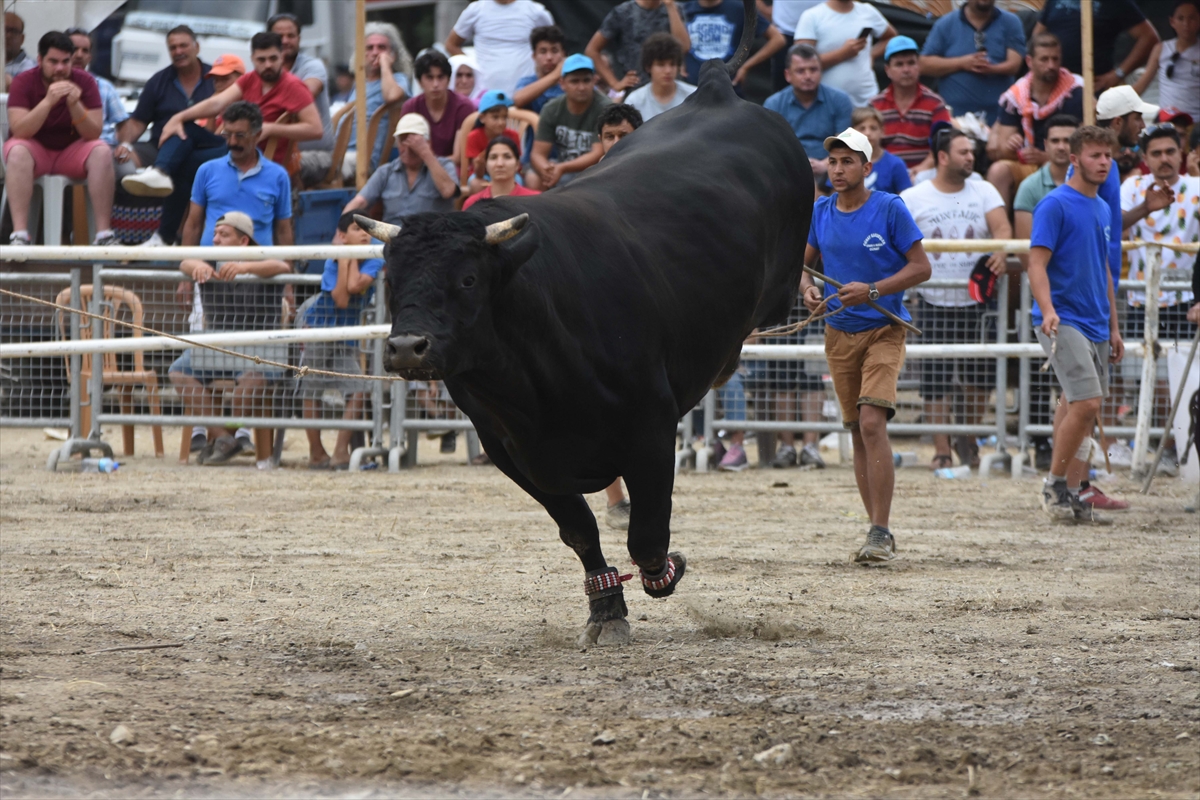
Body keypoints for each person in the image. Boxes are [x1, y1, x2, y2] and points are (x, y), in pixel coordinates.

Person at [799, 127, 931, 563]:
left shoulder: (889, 207)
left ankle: (880, 529)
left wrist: (873, 289)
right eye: (833, 162)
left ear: (866, 168)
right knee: (858, 429)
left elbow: (921, 267)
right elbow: (804, 263)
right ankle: (876, 529)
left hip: (884, 329)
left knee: (872, 422)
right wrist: (806, 287)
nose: (838, 169)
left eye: (847, 161)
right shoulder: (820, 211)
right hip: (839, 331)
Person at [1029, 125, 1126, 523]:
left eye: (1108, 156)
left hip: (1096, 322)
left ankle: (1073, 488)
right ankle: (1055, 484)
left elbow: (1104, 270)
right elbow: (1036, 262)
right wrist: (1047, 309)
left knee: (1076, 405)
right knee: (1087, 402)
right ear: (1074, 159)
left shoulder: (1103, 207)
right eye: (1095, 155)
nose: (1103, 162)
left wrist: (1115, 326)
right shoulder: (1055, 204)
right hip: (1063, 318)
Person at [900, 128, 1009, 470]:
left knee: (980, 377)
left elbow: (1003, 229)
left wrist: (1001, 249)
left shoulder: (984, 189)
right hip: (933, 298)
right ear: (942, 157)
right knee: (936, 379)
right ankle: (942, 448)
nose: (970, 157)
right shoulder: (912, 197)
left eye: (971, 151)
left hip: (978, 298)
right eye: (962, 152)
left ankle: (969, 436)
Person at [170, 211, 291, 466]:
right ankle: (225, 438)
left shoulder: (261, 261)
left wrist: (245, 267)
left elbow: (282, 266)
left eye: (223, 235)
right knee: (178, 372)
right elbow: (184, 263)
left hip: (258, 351)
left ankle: (229, 433)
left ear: (243, 241)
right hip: (217, 346)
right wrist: (197, 266)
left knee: (247, 388)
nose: (215, 240)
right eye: (214, 234)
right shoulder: (210, 260)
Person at [1119, 123, 1199, 475]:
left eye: (1170, 151)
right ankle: (1146, 449)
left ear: (1181, 153)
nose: (1164, 159)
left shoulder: (1197, 187)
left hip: (1186, 300)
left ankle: (1172, 449)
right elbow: (1113, 225)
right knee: (1143, 376)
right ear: (1144, 157)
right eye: (1156, 153)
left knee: (1181, 380)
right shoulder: (1131, 187)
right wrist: (1145, 209)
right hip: (1142, 298)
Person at [141, 31, 322, 181]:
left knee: (186, 163)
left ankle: (171, 205)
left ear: (282, 57)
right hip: (232, 143)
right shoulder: (250, 79)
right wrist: (178, 117)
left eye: (273, 59)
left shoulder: (293, 86)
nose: (268, 65)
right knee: (185, 128)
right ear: (252, 59)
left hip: (259, 154)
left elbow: (315, 129)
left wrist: (272, 128)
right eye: (262, 60)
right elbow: (217, 102)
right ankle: (159, 172)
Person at [4, 31, 118, 246]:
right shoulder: (24, 82)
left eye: (65, 62)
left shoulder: (85, 81)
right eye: (53, 62)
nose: (60, 69)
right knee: (17, 149)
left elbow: (93, 133)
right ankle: (20, 234)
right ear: (40, 60)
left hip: (71, 152)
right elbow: (20, 131)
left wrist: (75, 105)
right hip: (34, 151)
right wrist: (48, 102)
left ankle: (104, 234)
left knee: (101, 150)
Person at [1012, 113, 1077, 474]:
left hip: (1070, 293)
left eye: (1069, 140)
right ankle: (1040, 444)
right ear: (1045, 144)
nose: (1062, 146)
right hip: (1042, 294)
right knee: (1041, 376)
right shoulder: (1031, 187)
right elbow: (1026, 253)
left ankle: (1069, 461)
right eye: (1055, 140)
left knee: (1074, 385)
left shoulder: (1085, 187)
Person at [112, 26, 218, 246]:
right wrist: (125, 144)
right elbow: (139, 122)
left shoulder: (214, 78)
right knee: (121, 160)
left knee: (184, 134)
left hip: (203, 147)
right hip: (158, 147)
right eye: (173, 47)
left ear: (196, 47)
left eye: (183, 45)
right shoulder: (158, 81)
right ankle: (123, 234)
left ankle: (161, 178)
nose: (178, 51)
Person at [296, 213, 385, 470]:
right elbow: (340, 298)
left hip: (346, 333)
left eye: (367, 229)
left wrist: (347, 258)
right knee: (311, 388)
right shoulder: (333, 258)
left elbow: (355, 286)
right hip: (318, 329)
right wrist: (346, 259)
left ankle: (339, 451)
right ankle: (316, 452)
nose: (364, 233)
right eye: (357, 228)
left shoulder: (374, 257)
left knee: (358, 387)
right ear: (343, 236)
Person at [986, 33, 1084, 213]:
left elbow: (1086, 143)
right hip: (1028, 164)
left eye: (1055, 59)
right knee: (998, 171)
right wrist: (1013, 145)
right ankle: (1001, 236)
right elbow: (1003, 149)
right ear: (1030, 61)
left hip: (1069, 162)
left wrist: (1046, 157)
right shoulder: (1015, 96)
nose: (1051, 65)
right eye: (1044, 59)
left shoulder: (1077, 91)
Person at [181, 101, 294, 249]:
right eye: (228, 134)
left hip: (257, 266)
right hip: (211, 266)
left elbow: (283, 230)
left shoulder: (278, 176)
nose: (232, 142)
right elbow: (193, 224)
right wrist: (187, 261)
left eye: (240, 135)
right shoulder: (207, 171)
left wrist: (287, 268)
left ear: (257, 135)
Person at [918, 0, 1025, 125]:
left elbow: (1015, 65)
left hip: (1000, 120)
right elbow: (924, 64)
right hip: (956, 120)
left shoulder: (1011, 22)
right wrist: (963, 63)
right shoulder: (945, 24)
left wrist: (990, 68)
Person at [342, 113, 458, 225]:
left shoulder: (445, 165)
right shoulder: (386, 172)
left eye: (414, 142)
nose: (408, 147)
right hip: (393, 238)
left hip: (431, 237)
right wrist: (341, 229)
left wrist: (426, 154)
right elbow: (360, 201)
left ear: (427, 143)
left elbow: (448, 191)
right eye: (403, 140)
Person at [762, 43, 852, 181]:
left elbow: (844, 145)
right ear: (788, 75)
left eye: (813, 69)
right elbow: (770, 149)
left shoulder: (840, 100)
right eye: (801, 71)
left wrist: (825, 165)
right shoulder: (773, 104)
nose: (808, 76)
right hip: (787, 172)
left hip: (831, 172)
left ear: (821, 71)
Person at [268, 13, 335, 188]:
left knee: (269, 170)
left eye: (291, 36)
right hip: (276, 152)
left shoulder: (313, 66)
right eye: (279, 36)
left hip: (316, 155)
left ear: (299, 39)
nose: (285, 41)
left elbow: (303, 96)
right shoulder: (264, 69)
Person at [1034, 0, 1159, 94]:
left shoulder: (1115, 2)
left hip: (1091, 89)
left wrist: (1119, 73)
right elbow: (1038, 35)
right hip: (1053, 84)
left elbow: (1149, 37)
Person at [869, 35, 950, 176]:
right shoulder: (875, 105)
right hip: (884, 175)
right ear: (887, 70)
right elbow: (867, 147)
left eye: (911, 63)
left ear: (918, 66)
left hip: (924, 175)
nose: (906, 70)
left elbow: (943, 144)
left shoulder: (935, 103)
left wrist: (920, 170)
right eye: (899, 64)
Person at [531, 54, 612, 189]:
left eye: (586, 80)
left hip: (595, 170)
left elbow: (597, 153)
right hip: (562, 167)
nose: (581, 87)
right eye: (574, 81)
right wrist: (546, 170)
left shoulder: (605, 108)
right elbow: (538, 153)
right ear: (562, 83)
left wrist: (562, 168)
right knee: (533, 176)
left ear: (594, 80)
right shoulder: (552, 108)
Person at [794, 0, 894, 107]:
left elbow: (891, 36)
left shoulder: (867, 11)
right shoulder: (812, 16)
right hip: (828, 104)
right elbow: (801, 63)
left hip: (866, 99)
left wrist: (872, 55)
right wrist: (843, 53)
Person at [344, 22, 413, 174]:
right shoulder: (360, 84)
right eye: (369, 48)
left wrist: (385, 65)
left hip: (365, 160)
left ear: (393, 55)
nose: (375, 52)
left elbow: (391, 96)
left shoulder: (398, 79)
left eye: (382, 48)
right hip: (343, 152)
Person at [445, 0, 554, 97]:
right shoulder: (475, 10)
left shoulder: (535, 11)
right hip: (485, 99)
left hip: (525, 97)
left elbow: (554, 44)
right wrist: (473, 70)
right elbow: (451, 44)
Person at [586, 0, 691, 93]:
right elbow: (592, 50)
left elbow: (684, 47)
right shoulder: (623, 12)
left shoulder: (675, 9)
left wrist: (671, 7)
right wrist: (615, 84)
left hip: (671, 90)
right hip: (637, 90)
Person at [681, 0, 785, 87]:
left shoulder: (738, 9)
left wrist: (746, 66)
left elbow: (778, 39)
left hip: (728, 90)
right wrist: (680, 61)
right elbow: (673, 44)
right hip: (692, 88)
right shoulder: (684, 10)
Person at [400, 50, 476, 160]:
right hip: (418, 171)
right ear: (419, 82)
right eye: (430, 78)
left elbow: (459, 157)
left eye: (440, 77)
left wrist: (432, 164)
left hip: (453, 172)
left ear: (449, 80)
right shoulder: (410, 107)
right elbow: (405, 153)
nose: (435, 84)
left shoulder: (464, 107)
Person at [1133, 0, 1200, 123]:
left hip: (1196, 123)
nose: (1186, 24)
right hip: (1167, 120)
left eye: (1192, 18)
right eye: (1180, 18)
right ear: (1172, 22)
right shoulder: (1161, 49)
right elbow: (1141, 86)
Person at [457, 90, 532, 194]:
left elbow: (516, 165)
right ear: (482, 118)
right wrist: (481, 162)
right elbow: (478, 173)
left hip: (508, 174)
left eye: (504, 117)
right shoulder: (474, 137)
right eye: (495, 117)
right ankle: (479, 210)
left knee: (517, 181)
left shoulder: (513, 136)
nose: (501, 122)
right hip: (483, 175)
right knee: (475, 184)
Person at [65, 27, 127, 148]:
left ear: (90, 57)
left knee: (128, 166)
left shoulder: (105, 86)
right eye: (74, 49)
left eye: (85, 51)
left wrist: (125, 145)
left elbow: (123, 122)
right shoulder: (51, 85)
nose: (79, 55)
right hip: (68, 147)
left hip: (105, 145)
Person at [623, 33, 696, 121]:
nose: (668, 71)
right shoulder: (635, 102)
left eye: (672, 64)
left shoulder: (694, 96)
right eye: (661, 65)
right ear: (648, 67)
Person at [463, 136, 541, 209]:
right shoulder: (472, 204)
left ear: (517, 164)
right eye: (493, 157)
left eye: (507, 157)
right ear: (486, 164)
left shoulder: (535, 201)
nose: (500, 164)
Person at [852, 106, 910, 195]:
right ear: (853, 132)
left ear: (882, 132)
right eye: (862, 128)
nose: (868, 133)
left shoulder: (896, 164)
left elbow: (906, 199)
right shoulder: (844, 162)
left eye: (873, 128)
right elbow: (835, 198)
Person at [514, 25, 567, 113]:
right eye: (543, 51)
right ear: (534, 56)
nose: (549, 57)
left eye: (554, 51)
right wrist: (555, 75)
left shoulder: (573, 82)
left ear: (563, 54)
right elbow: (518, 99)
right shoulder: (527, 82)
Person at [4, 12, 37, 90]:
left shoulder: (31, 68)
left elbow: (30, 95)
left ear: (22, 38)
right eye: (4, 30)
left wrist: (12, 84)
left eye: (14, 31)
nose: (8, 36)